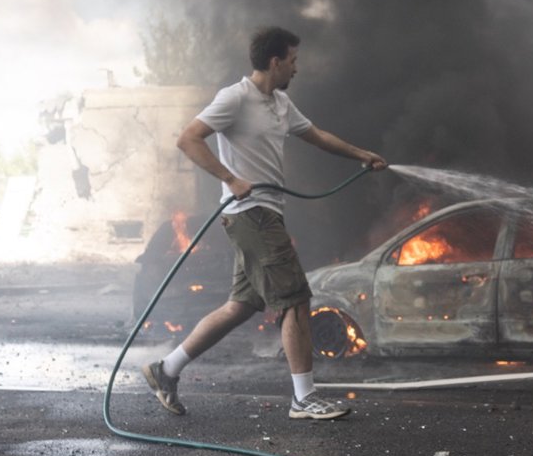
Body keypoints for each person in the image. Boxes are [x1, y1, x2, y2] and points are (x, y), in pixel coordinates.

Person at [144, 26, 386, 420]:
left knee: (241, 306)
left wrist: (361, 154)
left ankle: (165, 370)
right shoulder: (235, 98)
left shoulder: (280, 103)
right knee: (295, 299)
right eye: (293, 60)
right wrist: (230, 179)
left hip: (266, 212)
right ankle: (303, 398)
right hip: (249, 213)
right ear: (275, 62)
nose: (296, 68)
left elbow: (317, 135)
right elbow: (188, 139)